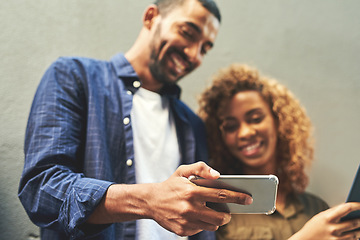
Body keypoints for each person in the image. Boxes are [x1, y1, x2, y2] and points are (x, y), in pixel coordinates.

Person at [18, 1, 253, 240]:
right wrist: (149, 200)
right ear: (151, 17)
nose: (194, 54)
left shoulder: (192, 124)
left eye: (205, 49)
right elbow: (41, 190)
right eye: (187, 33)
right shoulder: (73, 77)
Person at [198, 63, 360, 240]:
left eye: (255, 119)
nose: (245, 133)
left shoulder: (315, 208)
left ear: (278, 122)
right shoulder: (216, 210)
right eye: (230, 126)